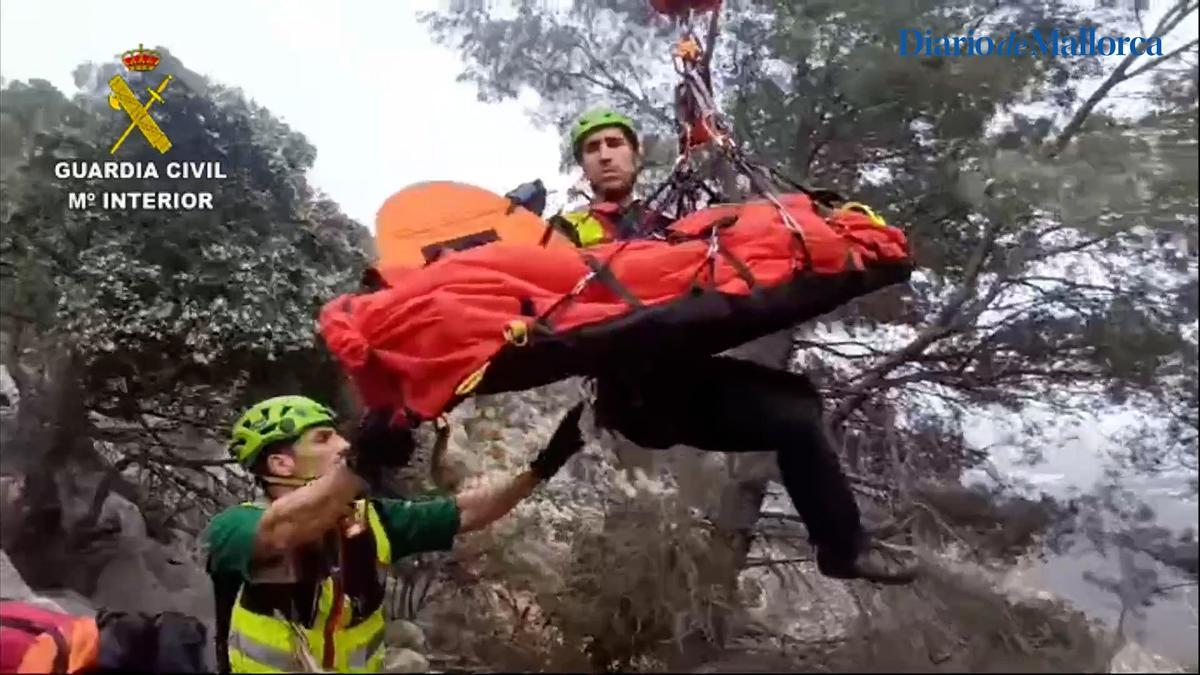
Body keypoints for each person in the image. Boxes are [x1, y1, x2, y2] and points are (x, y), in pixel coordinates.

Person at [508, 107, 918, 585]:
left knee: (798, 408)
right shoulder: (567, 232)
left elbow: (739, 247)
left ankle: (842, 548)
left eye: (614, 144)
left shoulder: (673, 222)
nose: (604, 156)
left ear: (636, 156)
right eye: (592, 149)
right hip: (630, 394)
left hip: (684, 380)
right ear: (583, 166)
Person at [203, 395, 584, 673]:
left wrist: (543, 465)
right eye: (323, 438)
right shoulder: (234, 528)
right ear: (280, 463)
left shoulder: (375, 520)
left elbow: (469, 511)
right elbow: (285, 529)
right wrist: (359, 466)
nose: (342, 444)